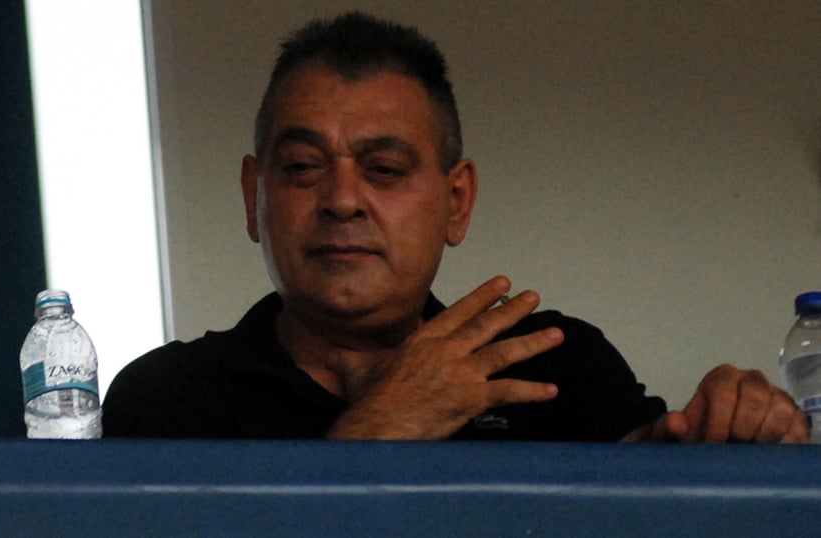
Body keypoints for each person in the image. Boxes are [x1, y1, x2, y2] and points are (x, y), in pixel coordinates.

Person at [102, 12, 807, 443]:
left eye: (383, 169)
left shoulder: (554, 366)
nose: (342, 200)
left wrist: (729, 425)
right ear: (254, 195)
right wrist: (389, 422)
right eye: (304, 167)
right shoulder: (170, 398)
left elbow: (659, 503)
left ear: (457, 201)